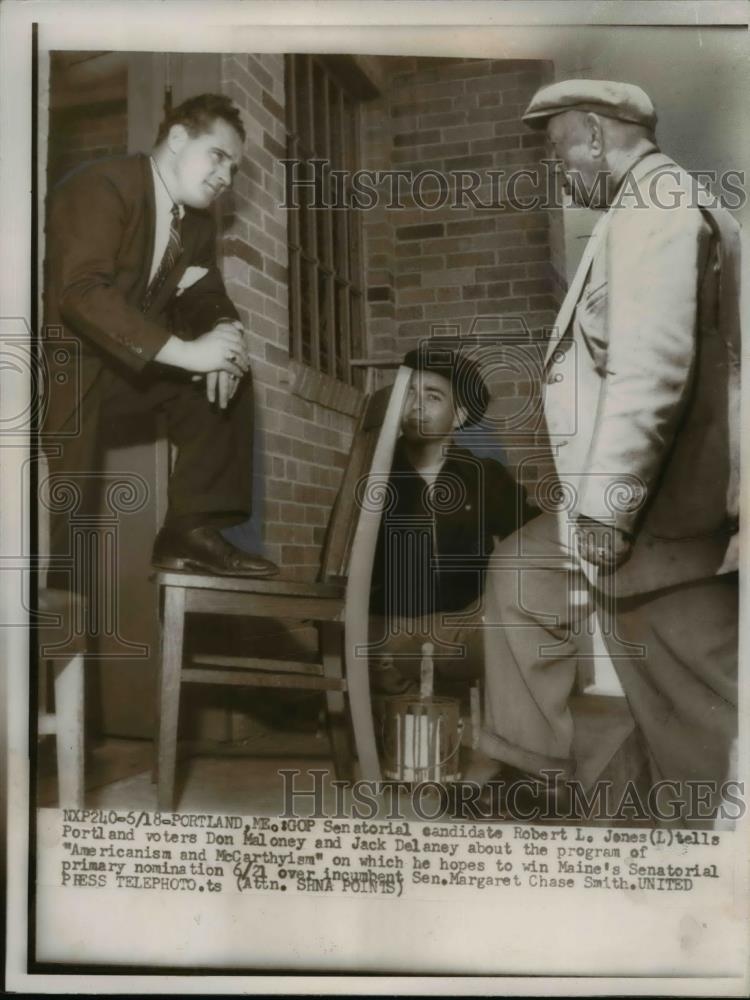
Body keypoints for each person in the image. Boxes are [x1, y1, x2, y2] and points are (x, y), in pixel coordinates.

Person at [474, 80, 740, 824]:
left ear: (594, 134)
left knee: (693, 716)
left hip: (667, 510)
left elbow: (651, 371)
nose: (561, 171)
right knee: (524, 577)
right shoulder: (649, 208)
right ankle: (533, 777)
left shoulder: (656, 208)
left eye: (562, 151)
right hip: (658, 505)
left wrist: (609, 510)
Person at [42, 93, 278, 580]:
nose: (225, 178)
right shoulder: (103, 185)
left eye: (234, 169)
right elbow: (81, 293)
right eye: (218, 156)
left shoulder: (193, 225)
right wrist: (188, 352)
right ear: (176, 139)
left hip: (113, 371)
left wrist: (224, 338)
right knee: (57, 535)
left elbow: (207, 294)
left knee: (228, 371)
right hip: (49, 375)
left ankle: (188, 530)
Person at [369, 345, 534, 694]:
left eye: (432, 397)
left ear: (458, 416)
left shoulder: (483, 476)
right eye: (410, 393)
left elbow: (535, 537)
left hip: (465, 626)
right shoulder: (375, 475)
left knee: (517, 630)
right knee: (382, 649)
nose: (416, 405)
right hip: (393, 629)